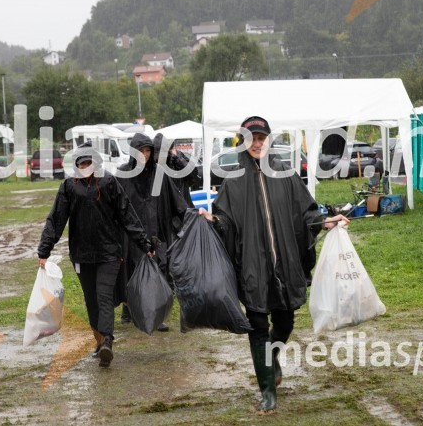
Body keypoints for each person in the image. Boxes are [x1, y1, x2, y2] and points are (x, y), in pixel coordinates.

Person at [200, 116, 348, 413]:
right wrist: (214, 221)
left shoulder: (285, 173)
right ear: (243, 141)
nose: (258, 143)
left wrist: (325, 220)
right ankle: (267, 390)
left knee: (285, 320)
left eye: (262, 137)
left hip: (284, 265)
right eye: (252, 138)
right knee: (257, 325)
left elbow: (305, 213)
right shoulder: (234, 180)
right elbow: (226, 221)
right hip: (252, 266)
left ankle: (273, 355)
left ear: (269, 140)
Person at [37, 141, 155, 368]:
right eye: (82, 163)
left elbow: (127, 215)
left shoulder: (109, 182)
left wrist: (145, 243)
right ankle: (99, 341)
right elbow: (56, 219)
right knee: (91, 300)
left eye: (89, 162)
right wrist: (45, 249)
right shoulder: (69, 187)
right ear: (76, 165)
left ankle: (107, 342)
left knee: (103, 296)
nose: (86, 167)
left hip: (109, 252)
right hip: (82, 255)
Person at [118, 133, 189, 330]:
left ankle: (155, 315)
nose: (145, 155)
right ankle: (129, 309)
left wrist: (192, 217)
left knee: (157, 272)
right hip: (130, 236)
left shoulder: (159, 174)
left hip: (155, 233)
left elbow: (177, 203)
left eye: (148, 150)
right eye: (141, 151)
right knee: (132, 272)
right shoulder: (123, 176)